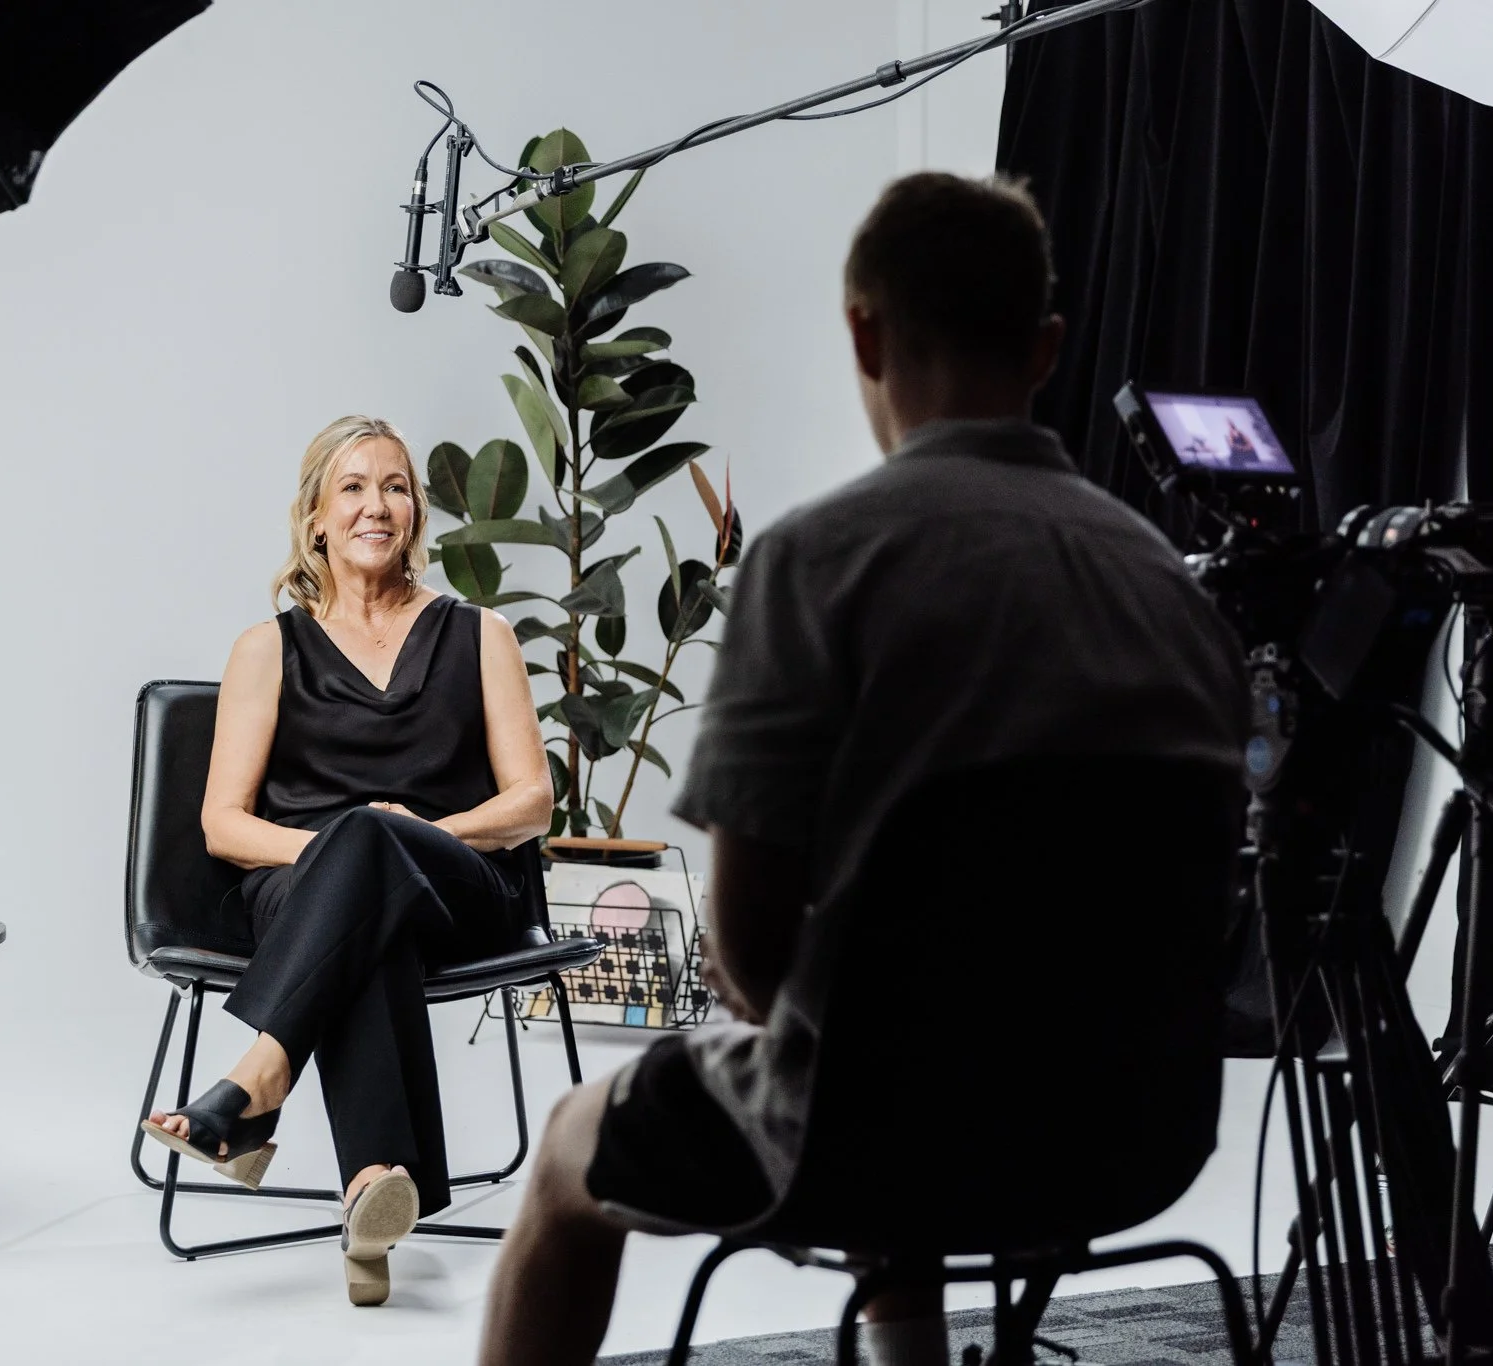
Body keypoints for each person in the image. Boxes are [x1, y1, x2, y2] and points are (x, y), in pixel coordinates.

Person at [477, 172, 1247, 1365]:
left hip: (874, 1133)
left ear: (864, 333)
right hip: (1128, 1135)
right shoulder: (1167, 584)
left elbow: (747, 950)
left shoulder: (818, 562)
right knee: (904, 1023)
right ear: (1045, 347)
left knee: (575, 1147)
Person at [141, 415, 551, 1307]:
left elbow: (531, 802)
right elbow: (223, 825)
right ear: (316, 518)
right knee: (363, 888)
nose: (378, 505)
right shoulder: (268, 648)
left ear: (416, 512)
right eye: (355, 488)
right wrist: (346, 846)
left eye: (396, 486)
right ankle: (373, 1191)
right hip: (298, 897)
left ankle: (259, 1080)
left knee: (375, 844)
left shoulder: (480, 635)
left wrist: (412, 837)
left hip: (456, 887)